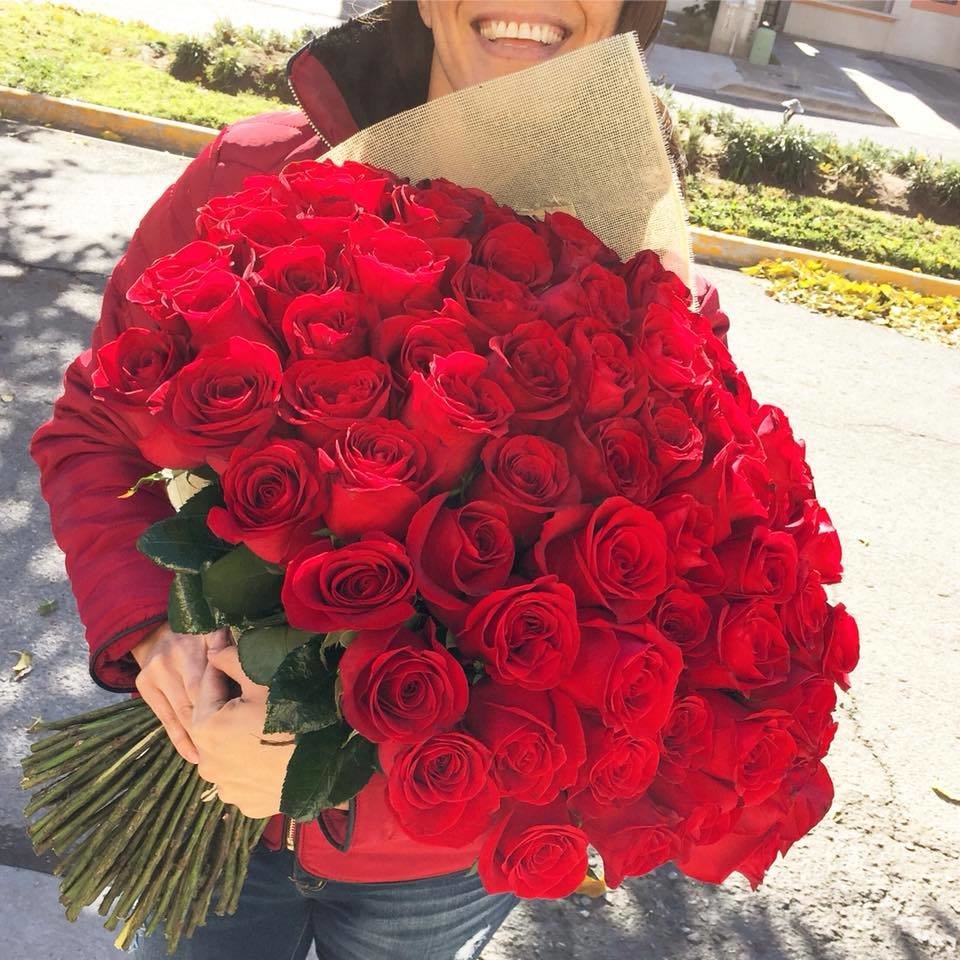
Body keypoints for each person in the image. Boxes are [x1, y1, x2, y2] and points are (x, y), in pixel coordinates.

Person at [32, 3, 726, 958]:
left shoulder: (639, 258)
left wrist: (367, 771)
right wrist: (158, 638)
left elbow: (641, 595)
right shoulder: (255, 172)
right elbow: (90, 431)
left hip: (434, 864)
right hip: (205, 793)